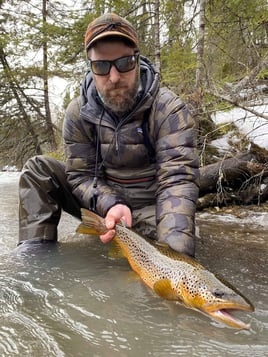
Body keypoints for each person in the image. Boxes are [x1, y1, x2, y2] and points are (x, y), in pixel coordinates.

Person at [18, 13, 199, 257]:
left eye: (124, 63)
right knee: (37, 169)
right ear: (90, 68)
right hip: (103, 202)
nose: (114, 77)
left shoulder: (169, 109)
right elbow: (80, 176)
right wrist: (111, 203)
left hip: (151, 207)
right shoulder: (77, 113)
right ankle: (35, 260)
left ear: (137, 59)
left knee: (176, 243)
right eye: (101, 67)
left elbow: (177, 182)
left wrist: (176, 262)